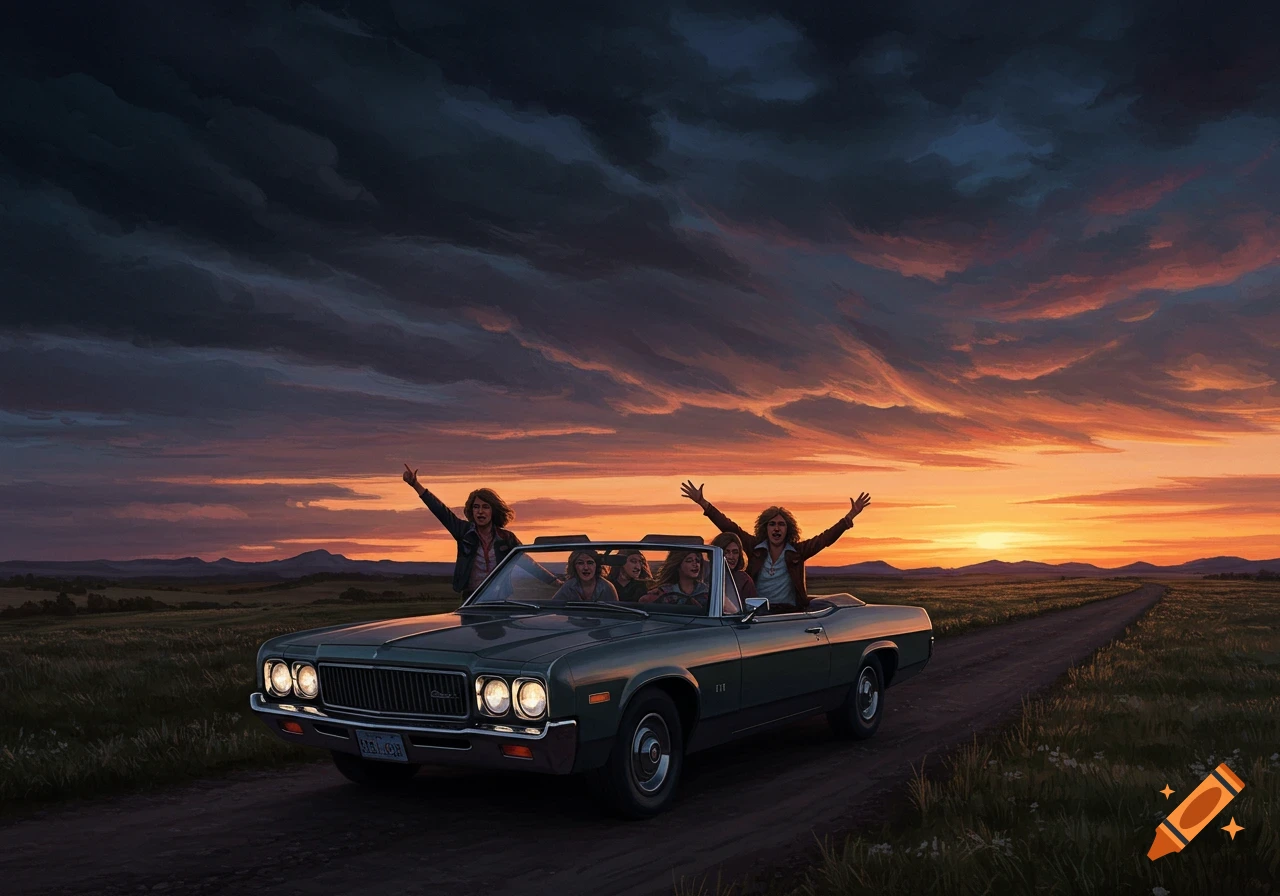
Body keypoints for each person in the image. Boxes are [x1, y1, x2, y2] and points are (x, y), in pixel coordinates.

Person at [681, 481, 871, 613]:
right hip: (759, 613)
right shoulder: (755, 548)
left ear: (788, 529)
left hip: (789, 614)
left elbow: (824, 539)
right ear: (765, 528)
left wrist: (850, 516)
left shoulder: (797, 552)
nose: (777, 528)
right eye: (772, 524)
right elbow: (729, 527)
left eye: (781, 524)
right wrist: (703, 503)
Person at [402, 463, 534, 597]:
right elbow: (440, 511)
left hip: (500, 598)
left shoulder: (507, 538)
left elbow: (528, 563)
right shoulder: (464, 532)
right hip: (471, 598)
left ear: (493, 510)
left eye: (485, 507)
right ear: (472, 510)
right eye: (476, 507)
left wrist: (555, 582)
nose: (480, 511)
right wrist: (415, 485)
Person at [639, 549, 711, 610]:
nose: (695, 564)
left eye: (697, 561)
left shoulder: (707, 591)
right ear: (678, 566)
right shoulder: (665, 592)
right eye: (689, 561)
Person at [553, 549, 620, 602]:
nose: (586, 568)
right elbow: (554, 609)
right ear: (574, 566)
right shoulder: (568, 587)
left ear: (596, 566)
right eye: (580, 563)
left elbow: (614, 616)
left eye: (590, 563)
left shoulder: (607, 587)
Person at [711, 532, 757, 602]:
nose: (731, 557)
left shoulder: (744, 580)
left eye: (735, 552)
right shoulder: (706, 576)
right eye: (727, 552)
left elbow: (753, 607)